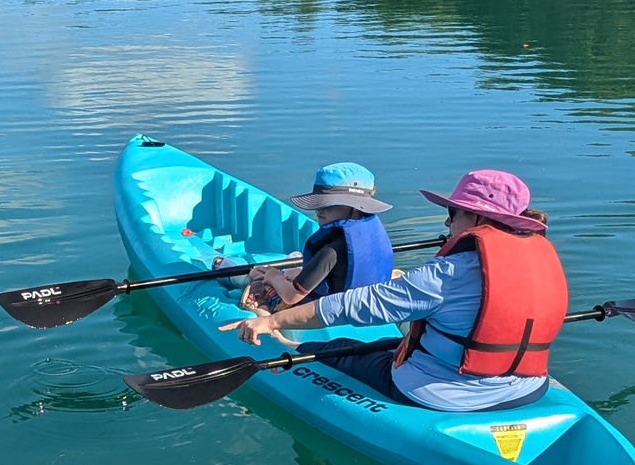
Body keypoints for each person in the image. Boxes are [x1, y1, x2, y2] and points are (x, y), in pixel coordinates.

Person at [221, 168, 565, 413]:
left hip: (444, 396)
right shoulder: (541, 260)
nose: (447, 223)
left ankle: (290, 346)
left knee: (341, 348)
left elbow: (355, 306)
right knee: (400, 343)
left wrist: (271, 323)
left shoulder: (446, 275)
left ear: (476, 219)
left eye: (452, 212)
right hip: (528, 388)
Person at [242, 162, 395, 310]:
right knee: (290, 267)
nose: (318, 211)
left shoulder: (330, 250)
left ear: (354, 207)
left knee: (257, 275)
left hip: (328, 310)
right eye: (317, 205)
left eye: (327, 205)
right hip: (366, 303)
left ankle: (226, 269)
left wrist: (274, 277)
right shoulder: (370, 228)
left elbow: (291, 297)